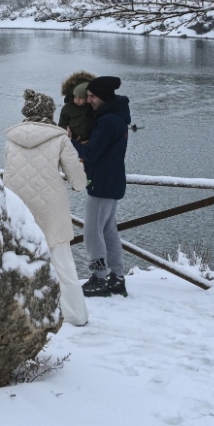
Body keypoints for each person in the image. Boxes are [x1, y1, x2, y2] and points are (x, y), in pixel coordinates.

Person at [4, 89, 90, 326]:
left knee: (21, 262)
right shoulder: (60, 137)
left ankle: (23, 315)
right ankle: (76, 316)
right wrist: (81, 181)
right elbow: (78, 181)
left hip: (17, 209)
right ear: (50, 113)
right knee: (62, 263)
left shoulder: (11, 137)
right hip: (51, 208)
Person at [75, 76, 131, 298]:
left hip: (102, 184)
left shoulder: (108, 121)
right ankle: (116, 277)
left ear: (104, 97)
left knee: (92, 232)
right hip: (112, 181)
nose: (89, 100)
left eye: (92, 96)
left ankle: (99, 279)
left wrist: (70, 142)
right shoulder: (117, 117)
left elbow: (91, 153)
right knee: (108, 231)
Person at [58, 70, 96, 142]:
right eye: (75, 96)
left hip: (90, 142)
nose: (77, 100)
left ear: (87, 97)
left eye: (81, 98)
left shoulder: (93, 107)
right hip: (72, 141)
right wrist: (66, 134)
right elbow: (62, 124)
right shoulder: (67, 108)